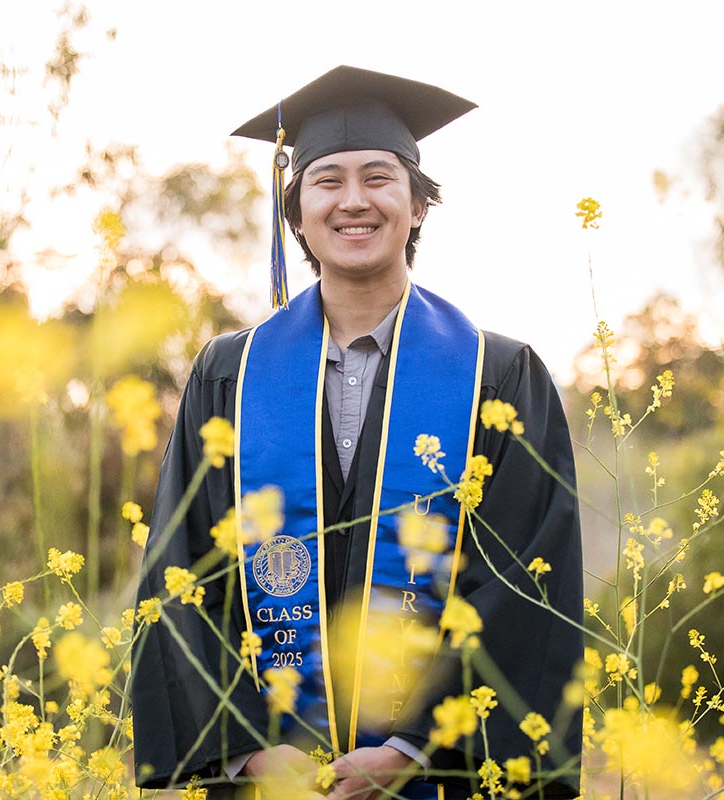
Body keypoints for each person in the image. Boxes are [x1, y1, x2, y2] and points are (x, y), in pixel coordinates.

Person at [130, 66, 582, 800]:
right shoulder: (229, 375)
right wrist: (247, 750)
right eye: (326, 181)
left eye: (379, 177)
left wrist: (413, 748)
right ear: (297, 216)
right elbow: (181, 571)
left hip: (438, 777)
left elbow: (525, 587)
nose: (354, 201)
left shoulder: (497, 376)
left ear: (417, 206)